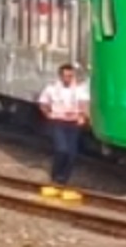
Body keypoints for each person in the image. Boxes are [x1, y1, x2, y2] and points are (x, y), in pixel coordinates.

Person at [38, 63, 90, 199]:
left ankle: (63, 180)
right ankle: (55, 177)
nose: (69, 78)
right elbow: (43, 103)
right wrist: (48, 114)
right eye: (66, 76)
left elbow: (84, 104)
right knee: (61, 150)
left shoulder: (79, 89)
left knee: (72, 154)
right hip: (58, 122)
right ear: (61, 76)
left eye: (71, 76)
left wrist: (83, 116)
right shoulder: (52, 89)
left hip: (73, 123)